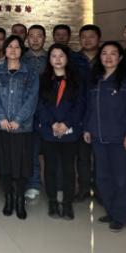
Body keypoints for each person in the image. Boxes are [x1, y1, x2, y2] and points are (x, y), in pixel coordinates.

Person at [83, 42, 126, 233]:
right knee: (103, 177)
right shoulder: (94, 79)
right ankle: (111, 210)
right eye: (104, 53)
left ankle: (121, 216)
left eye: (113, 53)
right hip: (98, 135)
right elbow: (89, 107)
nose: (108, 57)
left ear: (121, 57)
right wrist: (87, 128)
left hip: (120, 137)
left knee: (122, 178)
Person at [0, 35, 39, 220]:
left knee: (21, 166)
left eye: (17, 47)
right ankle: (8, 197)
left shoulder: (31, 73)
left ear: (21, 50)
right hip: (0, 126)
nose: (13, 49)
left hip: (22, 127)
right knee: (5, 166)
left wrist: (18, 120)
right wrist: (1, 118)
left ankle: (19, 199)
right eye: (10, 46)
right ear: (5, 49)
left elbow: (32, 99)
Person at [35, 44, 85, 220]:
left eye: (61, 56)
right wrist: (53, 123)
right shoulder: (42, 80)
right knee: (50, 167)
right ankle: (52, 200)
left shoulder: (77, 80)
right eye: (54, 56)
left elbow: (80, 105)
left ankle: (67, 202)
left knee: (69, 168)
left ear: (67, 59)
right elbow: (39, 105)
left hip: (70, 132)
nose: (57, 59)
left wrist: (66, 123)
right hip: (49, 131)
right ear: (49, 59)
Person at [72, 24, 101, 203]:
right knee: (82, 155)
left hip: (101, 113)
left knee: (99, 155)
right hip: (80, 112)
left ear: (99, 39)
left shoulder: (105, 58)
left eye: (91, 36)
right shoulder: (73, 59)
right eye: (84, 36)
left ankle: (98, 188)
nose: (87, 40)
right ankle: (83, 187)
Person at [21, 24, 47, 201]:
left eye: (39, 36)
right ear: (27, 38)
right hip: (29, 113)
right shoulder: (21, 59)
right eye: (32, 36)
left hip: (50, 112)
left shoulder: (52, 57)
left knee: (53, 152)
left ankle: (56, 184)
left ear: (44, 38)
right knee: (32, 151)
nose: (35, 39)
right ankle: (34, 184)